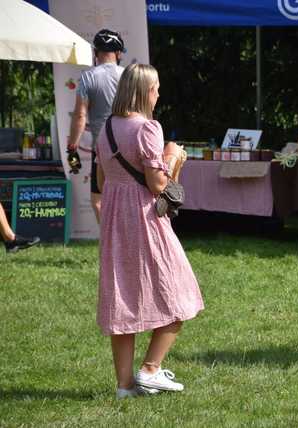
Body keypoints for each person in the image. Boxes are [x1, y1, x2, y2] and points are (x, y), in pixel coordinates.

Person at [95, 63, 204, 398]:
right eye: (155, 87)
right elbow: (159, 185)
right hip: (144, 218)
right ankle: (151, 370)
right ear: (143, 91)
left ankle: (125, 386)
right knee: (180, 290)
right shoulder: (147, 128)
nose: (159, 93)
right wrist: (172, 156)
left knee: (122, 298)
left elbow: (101, 180)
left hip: (115, 219)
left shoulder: (106, 128)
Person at [67, 29, 125, 224]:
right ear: (119, 54)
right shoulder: (129, 76)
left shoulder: (87, 77)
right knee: (130, 197)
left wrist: (72, 149)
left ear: (95, 52)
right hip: (131, 144)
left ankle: (112, 244)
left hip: (102, 147)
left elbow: (80, 115)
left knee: (98, 200)